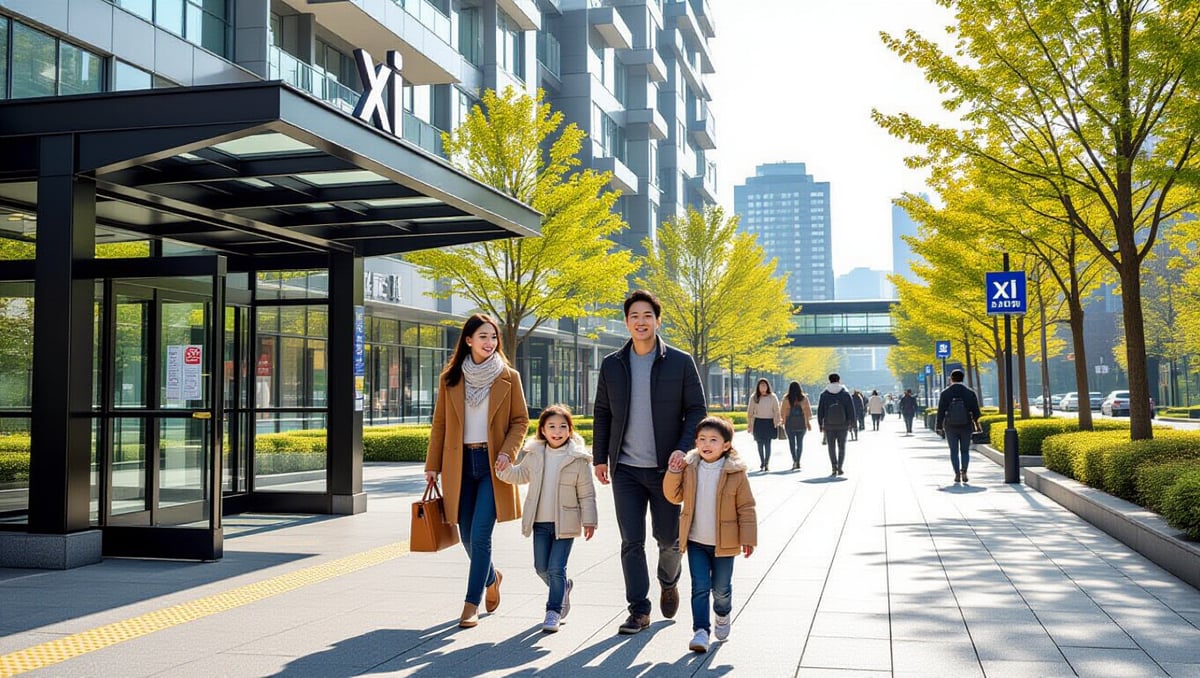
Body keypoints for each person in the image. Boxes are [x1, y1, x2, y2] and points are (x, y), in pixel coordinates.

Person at [593, 290, 707, 635]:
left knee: (669, 539)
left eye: (647, 316)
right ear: (626, 322)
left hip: (666, 469)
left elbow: (697, 411)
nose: (640, 322)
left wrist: (683, 448)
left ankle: (668, 581)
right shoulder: (613, 364)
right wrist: (600, 458)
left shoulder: (680, 361)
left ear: (657, 320)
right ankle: (638, 610)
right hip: (625, 469)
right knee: (631, 541)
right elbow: (602, 411)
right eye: (633, 316)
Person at [425, 314, 529, 628]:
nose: (489, 343)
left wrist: (507, 453)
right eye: (483, 337)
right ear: (468, 340)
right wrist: (432, 466)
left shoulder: (509, 377)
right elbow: (440, 424)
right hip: (458, 465)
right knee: (467, 536)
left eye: (493, 337)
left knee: (481, 535)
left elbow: (520, 421)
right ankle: (492, 577)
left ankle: (471, 604)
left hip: (491, 465)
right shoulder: (451, 379)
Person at [496, 404, 597, 633]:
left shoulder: (578, 459)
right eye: (551, 426)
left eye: (563, 426)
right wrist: (502, 469)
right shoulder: (534, 454)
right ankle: (563, 589)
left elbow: (587, 493)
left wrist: (589, 521)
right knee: (541, 567)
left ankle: (553, 611)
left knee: (555, 568)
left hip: (566, 524)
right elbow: (520, 475)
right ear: (542, 430)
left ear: (570, 430)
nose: (557, 431)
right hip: (540, 523)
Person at [663, 416, 757, 654]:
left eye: (713, 440)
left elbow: (746, 507)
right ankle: (701, 631)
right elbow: (674, 496)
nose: (707, 444)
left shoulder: (735, 472)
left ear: (726, 445)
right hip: (696, 541)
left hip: (724, 543)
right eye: (702, 439)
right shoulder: (690, 467)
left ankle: (723, 614)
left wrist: (748, 537)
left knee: (721, 589)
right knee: (700, 586)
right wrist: (674, 473)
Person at [935, 369, 983, 483]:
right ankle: (964, 471)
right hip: (966, 425)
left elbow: (940, 411)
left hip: (950, 426)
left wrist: (939, 426)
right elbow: (976, 411)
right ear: (963, 378)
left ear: (951, 378)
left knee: (954, 451)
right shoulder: (970, 392)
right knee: (965, 451)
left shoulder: (945, 393)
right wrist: (978, 425)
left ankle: (956, 474)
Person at [817, 374, 855, 476]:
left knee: (831, 446)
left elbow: (820, 411)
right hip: (843, 424)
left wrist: (820, 424)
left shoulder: (824, 395)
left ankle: (834, 466)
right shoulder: (845, 394)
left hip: (829, 425)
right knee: (842, 446)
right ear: (839, 380)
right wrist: (852, 423)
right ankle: (840, 467)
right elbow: (851, 410)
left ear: (829, 381)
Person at [747, 378, 781, 472]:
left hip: (769, 422)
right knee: (759, 443)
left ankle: (767, 463)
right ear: (758, 387)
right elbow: (750, 411)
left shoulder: (772, 397)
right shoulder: (754, 397)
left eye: (764, 385)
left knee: (767, 443)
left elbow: (776, 410)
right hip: (758, 422)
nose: (763, 387)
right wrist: (749, 424)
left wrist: (777, 421)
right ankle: (762, 461)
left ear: (767, 386)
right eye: (761, 385)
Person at [780, 381, 812, 471]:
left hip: (789, 424)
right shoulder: (804, 398)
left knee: (792, 443)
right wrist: (808, 423)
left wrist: (782, 421)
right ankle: (798, 460)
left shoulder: (786, 398)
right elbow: (808, 411)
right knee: (800, 443)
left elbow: (782, 412)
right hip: (801, 424)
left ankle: (794, 460)